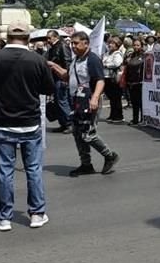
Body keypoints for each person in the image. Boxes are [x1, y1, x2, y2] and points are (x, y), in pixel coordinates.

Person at [0, 24, 55, 231]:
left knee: (4, 171)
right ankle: (37, 213)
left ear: (7, 36)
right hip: (30, 121)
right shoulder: (37, 60)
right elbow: (48, 88)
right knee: (33, 169)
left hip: (4, 121)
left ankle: (4, 217)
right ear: (28, 38)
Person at [59, 30, 120, 177]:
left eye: (76, 43)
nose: (72, 46)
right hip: (76, 101)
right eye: (72, 43)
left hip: (88, 101)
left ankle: (109, 155)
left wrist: (95, 97)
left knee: (88, 133)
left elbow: (100, 80)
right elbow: (67, 76)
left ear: (86, 43)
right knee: (77, 133)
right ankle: (86, 164)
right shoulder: (76, 60)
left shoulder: (92, 59)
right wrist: (52, 66)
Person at [45, 30, 74, 133]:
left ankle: (69, 123)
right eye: (47, 38)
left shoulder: (62, 46)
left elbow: (67, 62)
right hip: (55, 77)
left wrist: (66, 78)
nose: (48, 40)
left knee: (62, 101)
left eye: (49, 38)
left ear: (55, 37)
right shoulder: (52, 48)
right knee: (57, 101)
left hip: (61, 77)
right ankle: (63, 123)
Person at [102, 38, 125, 122]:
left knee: (116, 97)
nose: (110, 45)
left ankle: (118, 116)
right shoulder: (107, 53)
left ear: (117, 45)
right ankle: (112, 114)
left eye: (112, 43)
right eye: (109, 43)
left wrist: (106, 65)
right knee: (111, 97)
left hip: (114, 78)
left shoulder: (117, 54)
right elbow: (102, 61)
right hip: (106, 77)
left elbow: (116, 63)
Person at [124, 38, 145, 125]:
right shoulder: (131, 55)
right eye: (134, 45)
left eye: (138, 45)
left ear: (141, 46)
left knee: (141, 102)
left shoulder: (144, 56)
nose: (136, 47)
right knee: (134, 102)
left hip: (140, 82)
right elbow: (125, 65)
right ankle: (135, 119)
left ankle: (143, 119)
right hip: (131, 82)